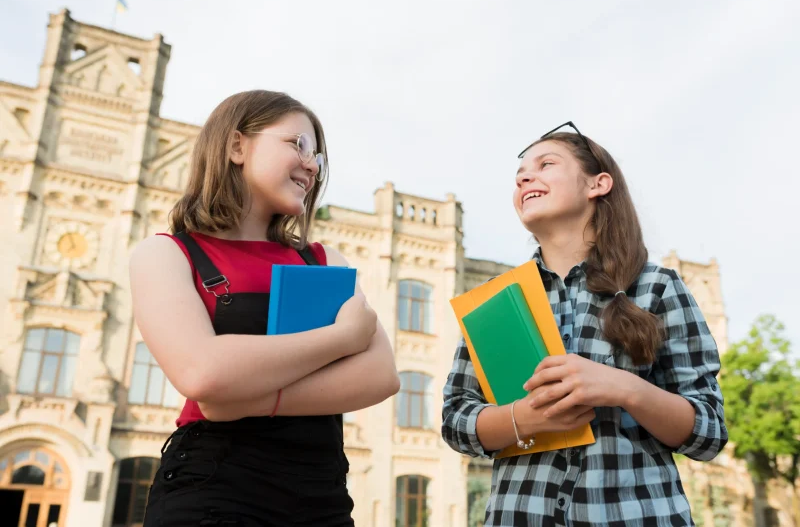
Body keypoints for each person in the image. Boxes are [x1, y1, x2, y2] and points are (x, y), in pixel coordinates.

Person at [129, 90, 400, 526]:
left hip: (321, 497)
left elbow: (380, 376)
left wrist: (242, 399)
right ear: (237, 146)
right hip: (212, 489)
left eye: (319, 158)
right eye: (300, 145)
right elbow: (203, 373)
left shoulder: (323, 258)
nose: (312, 165)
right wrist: (340, 338)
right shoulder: (167, 254)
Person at [441, 122, 727, 526]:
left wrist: (625, 388)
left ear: (598, 184)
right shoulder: (494, 299)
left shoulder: (657, 287)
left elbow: (710, 431)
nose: (525, 176)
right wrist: (525, 418)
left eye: (546, 163)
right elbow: (455, 421)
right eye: (520, 173)